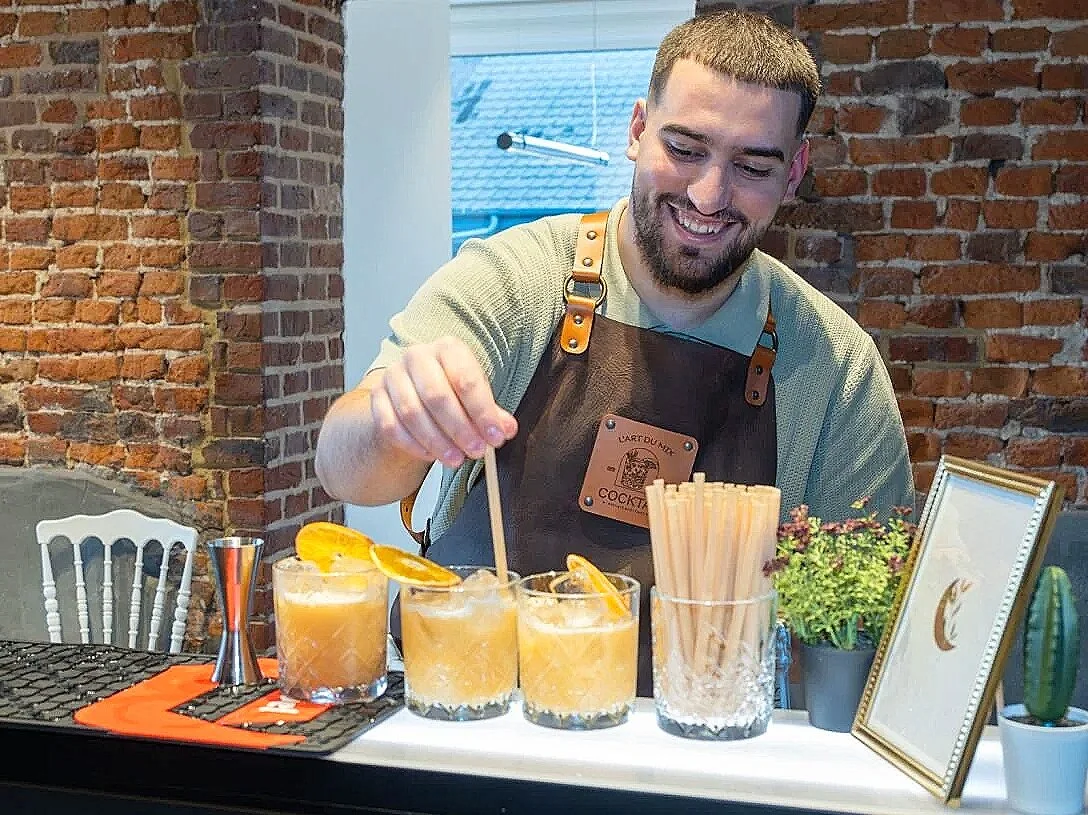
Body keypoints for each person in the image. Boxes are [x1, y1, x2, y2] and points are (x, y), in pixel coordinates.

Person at [315, 10, 915, 694]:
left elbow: (870, 634)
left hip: (697, 757)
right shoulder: (518, 280)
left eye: (751, 165)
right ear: (636, 130)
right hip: (477, 719)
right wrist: (392, 422)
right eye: (685, 149)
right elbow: (343, 469)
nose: (708, 195)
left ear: (794, 171)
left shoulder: (836, 372)